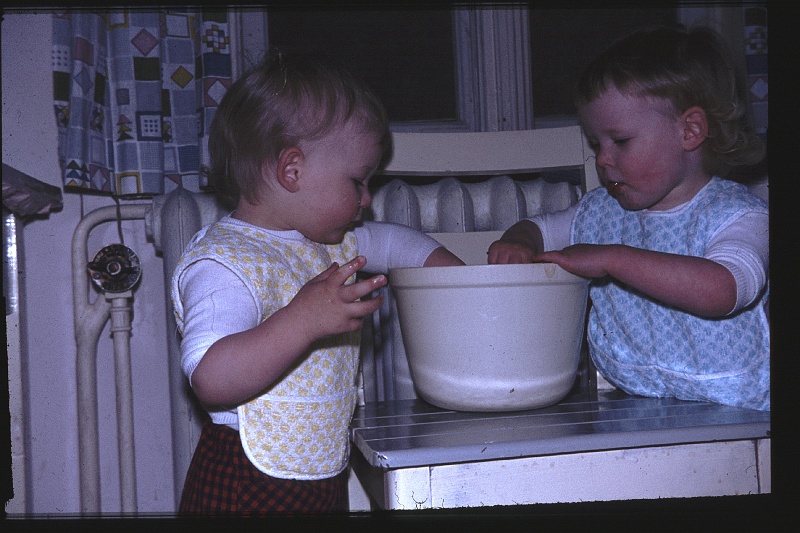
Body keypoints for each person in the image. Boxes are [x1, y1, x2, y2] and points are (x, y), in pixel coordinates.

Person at [171, 51, 464, 515]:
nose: (367, 199)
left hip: (318, 476)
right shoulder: (224, 263)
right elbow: (211, 377)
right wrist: (302, 321)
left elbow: (396, 243)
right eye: (358, 181)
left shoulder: (327, 243)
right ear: (293, 170)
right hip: (247, 481)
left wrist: (461, 281)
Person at [488, 26, 769, 411]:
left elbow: (723, 291)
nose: (602, 159)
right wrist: (519, 242)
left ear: (689, 130)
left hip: (738, 409)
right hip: (637, 398)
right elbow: (538, 228)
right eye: (595, 144)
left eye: (620, 141)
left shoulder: (739, 215)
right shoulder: (601, 210)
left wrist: (610, 259)